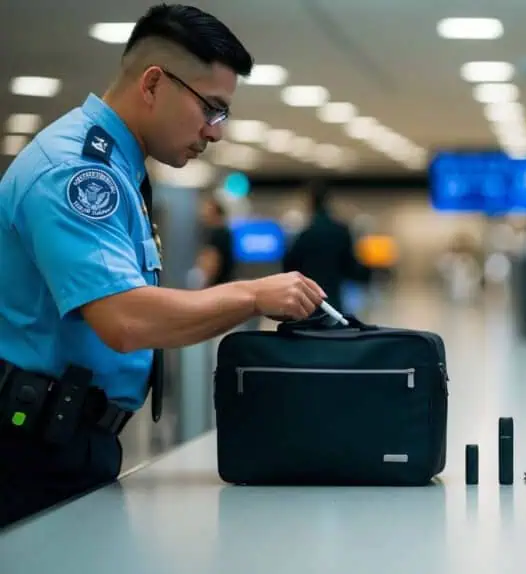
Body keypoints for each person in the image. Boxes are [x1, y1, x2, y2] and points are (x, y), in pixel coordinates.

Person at [0, 4, 326, 528]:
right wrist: (250, 295)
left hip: (68, 438)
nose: (215, 132)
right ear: (153, 83)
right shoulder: (76, 172)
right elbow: (125, 321)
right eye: (211, 109)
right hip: (29, 454)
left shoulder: (119, 169)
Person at [282, 180, 371, 312]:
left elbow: (290, 266)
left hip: (309, 301)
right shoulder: (340, 231)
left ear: (310, 202)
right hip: (334, 299)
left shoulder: (305, 233)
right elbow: (351, 267)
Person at [192, 197, 235, 287]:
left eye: (206, 210)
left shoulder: (219, 233)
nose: (203, 214)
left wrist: (203, 285)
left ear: (215, 212)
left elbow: (212, 261)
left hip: (217, 285)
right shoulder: (223, 232)